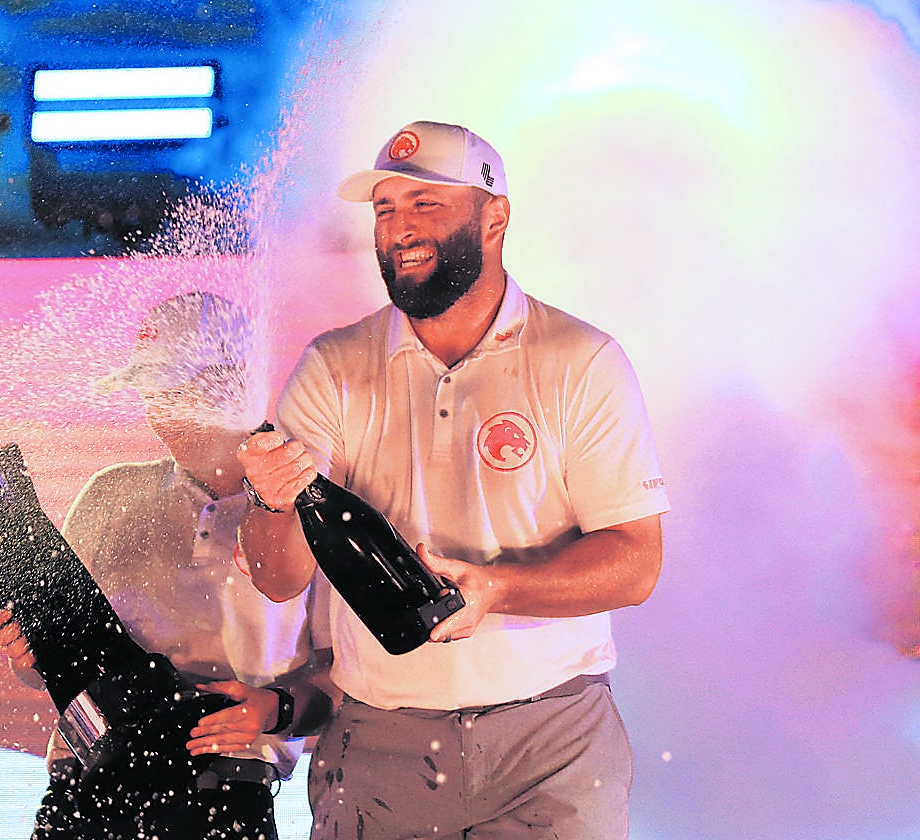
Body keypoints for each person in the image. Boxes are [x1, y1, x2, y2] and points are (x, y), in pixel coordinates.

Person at [236, 120, 671, 839]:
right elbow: (278, 578)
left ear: (495, 217)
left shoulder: (580, 361)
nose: (399, 228)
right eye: (384, 210)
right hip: (376, 745)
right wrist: (270, 499)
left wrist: (498, 589)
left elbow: (635, 563)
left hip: (551, 746)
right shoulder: (335, 366)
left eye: (425, 204)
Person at [0, 292, 331, 840]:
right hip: (84, 785)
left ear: (233, 380)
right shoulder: (109, 493)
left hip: (224, 792)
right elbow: (39, 672)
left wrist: (273, 709)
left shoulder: (310, 512)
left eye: (176, 387)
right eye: (151, 389)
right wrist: (27, 650)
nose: (159, 408)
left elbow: (350, 686)